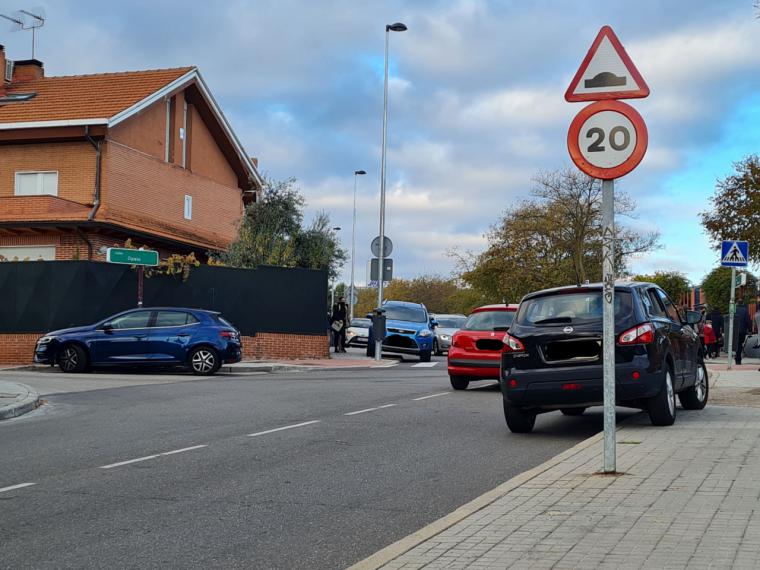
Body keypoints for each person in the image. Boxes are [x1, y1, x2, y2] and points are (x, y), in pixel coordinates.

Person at [733, 297, 751, 365]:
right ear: (742, 303)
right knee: (740, 344)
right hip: (742, 330)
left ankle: (736, 357)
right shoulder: (745, 310)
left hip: (735, 330)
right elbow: (748, 321)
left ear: (737, 303)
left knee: (736, 344)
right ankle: (738, 358)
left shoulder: (734, 310)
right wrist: (750, 329)